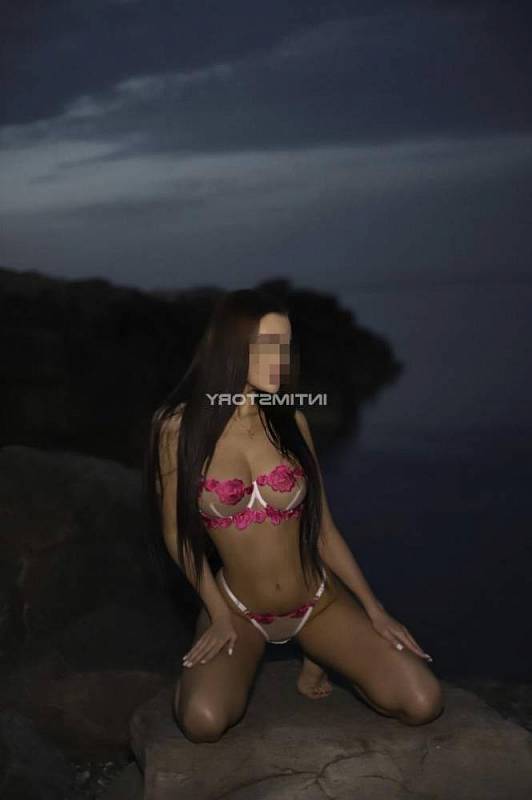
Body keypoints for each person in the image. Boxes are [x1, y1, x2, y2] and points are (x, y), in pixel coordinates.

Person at [144, 288, 444, 743]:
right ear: (231, 348)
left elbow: (323, 529)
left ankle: (317, 654)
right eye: (266, 346)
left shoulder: (291, 420)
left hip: (318, 600)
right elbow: (175, 533)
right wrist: (216, 612)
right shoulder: (177, 430)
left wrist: (375, 609)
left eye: (284, 347)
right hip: (239, 610)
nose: (280, 361)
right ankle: (216, 670)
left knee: (423, 702)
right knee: (202, 722)